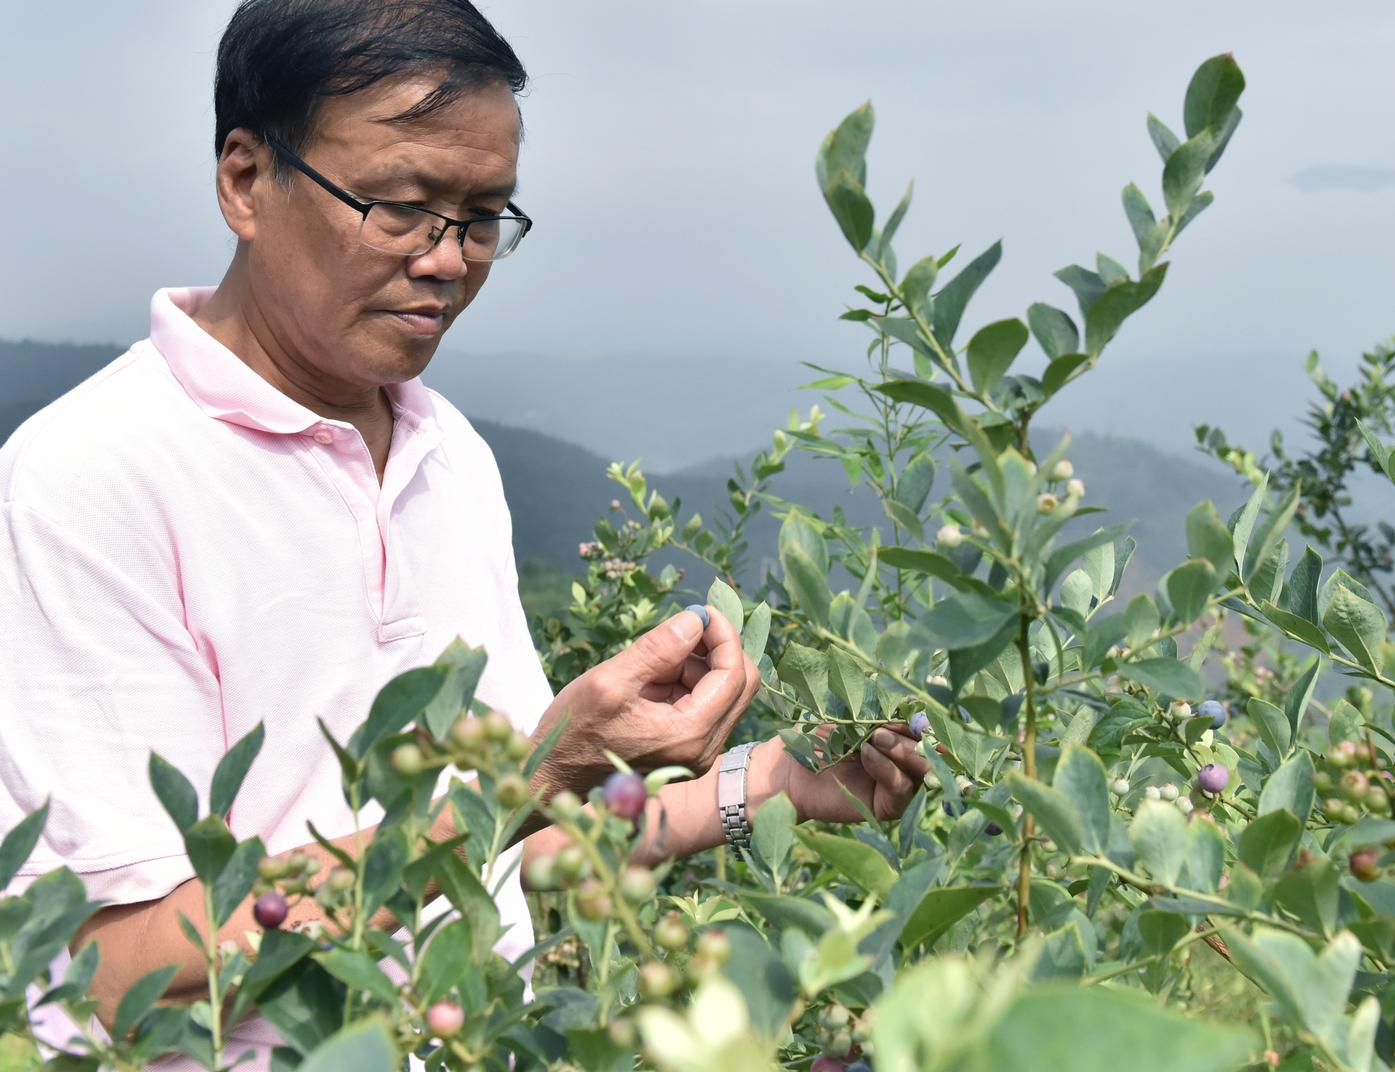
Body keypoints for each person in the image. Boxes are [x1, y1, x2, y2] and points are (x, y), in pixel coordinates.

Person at [0, 1, 929, 1065]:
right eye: (399, 206)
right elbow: (101, 973)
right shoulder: (87, 483)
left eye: (485, 216)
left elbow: (493, 853)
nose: (447, 260)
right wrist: (534, 773)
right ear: (246, 180)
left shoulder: (448, 457)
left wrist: (763, 784)